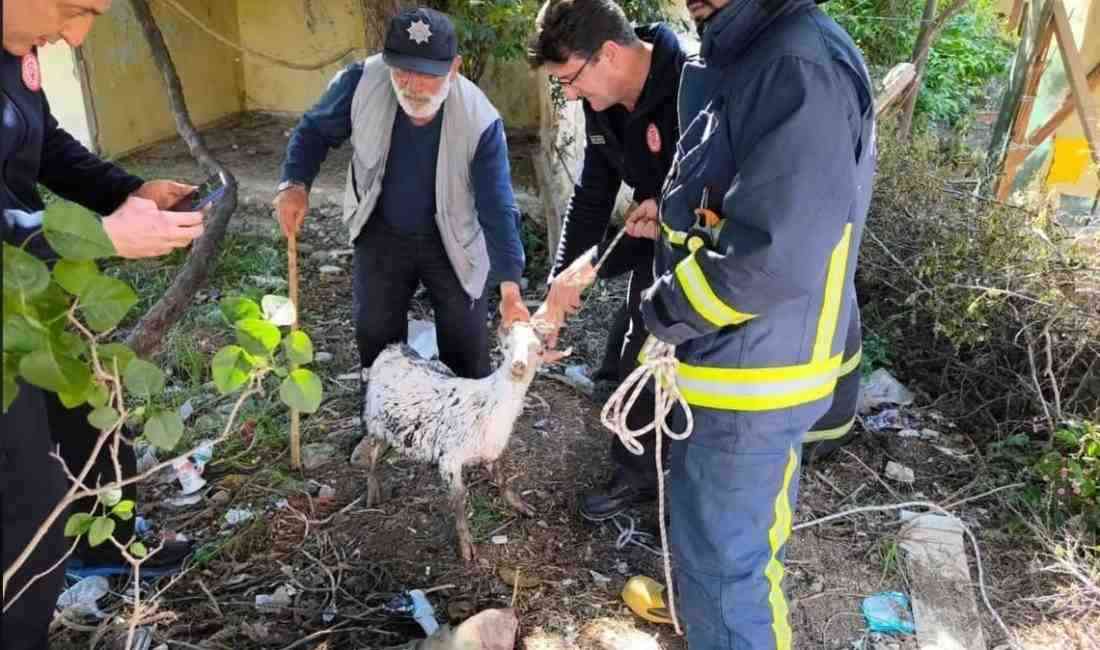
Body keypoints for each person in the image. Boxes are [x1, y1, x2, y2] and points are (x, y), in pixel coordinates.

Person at [528, 0, 863, 524]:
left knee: (649, 351)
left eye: (570, 80)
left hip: (722, 269)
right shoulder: (604, 109)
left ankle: (654, 477)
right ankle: (641, 465)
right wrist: (561, 281)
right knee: (623, 358)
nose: (569, 94)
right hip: (661, 243)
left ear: (609, 55)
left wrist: (670, 204)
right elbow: (592, 195)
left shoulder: (699, 77)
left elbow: (757, 194)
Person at [636, 0, 876, 647]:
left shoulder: (798, 63)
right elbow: (739, 195)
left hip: (753, 380)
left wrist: (663, 311)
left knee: (726, 574)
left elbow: (769, 259)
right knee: (726, 560)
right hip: (739, 366)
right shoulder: (753, 48)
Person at [3, 2, 204, 647]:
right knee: (25, 494)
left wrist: (127, 192)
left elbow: (49, 148)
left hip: (35, 286)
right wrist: (96, 237)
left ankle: (108, 546)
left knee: (94, 404)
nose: (76, 34)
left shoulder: (16, 48)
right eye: (73, 7)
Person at [275, 7, 528, 387]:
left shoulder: (480, 119)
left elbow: (497, 206)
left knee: (465, 343)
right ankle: (383, 414)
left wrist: (510, 288)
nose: (412, 84)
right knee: (375, 334)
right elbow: (313, 131)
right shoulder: (361, 82)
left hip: (454, 238)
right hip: (382, 228)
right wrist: (294, 183)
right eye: (402, 70)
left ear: (454, 67)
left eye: (428, 74)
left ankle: (462, 420)